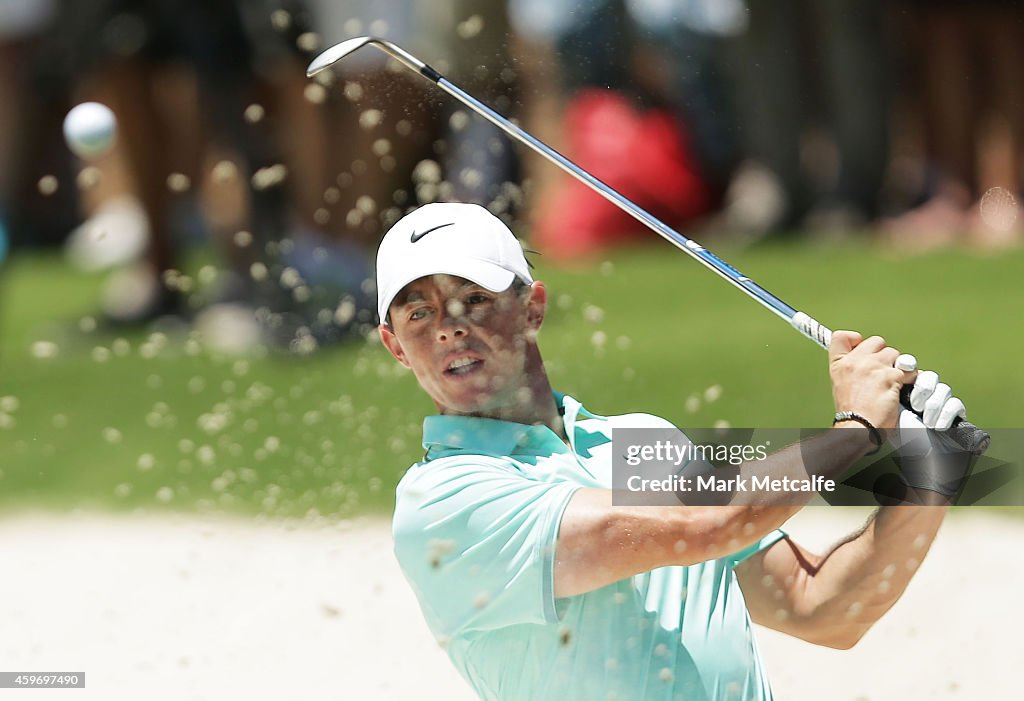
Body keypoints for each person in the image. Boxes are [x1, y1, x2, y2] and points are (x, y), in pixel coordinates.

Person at [378, 202, 970, 700]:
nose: (449, 328)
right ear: (396, 346)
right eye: (419, 313)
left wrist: (928, 482)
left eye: (473, 299)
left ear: (532, 306)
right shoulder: (441, 505)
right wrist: (857, 429)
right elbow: (711, 524)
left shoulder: (639, 442)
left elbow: (821, 609)